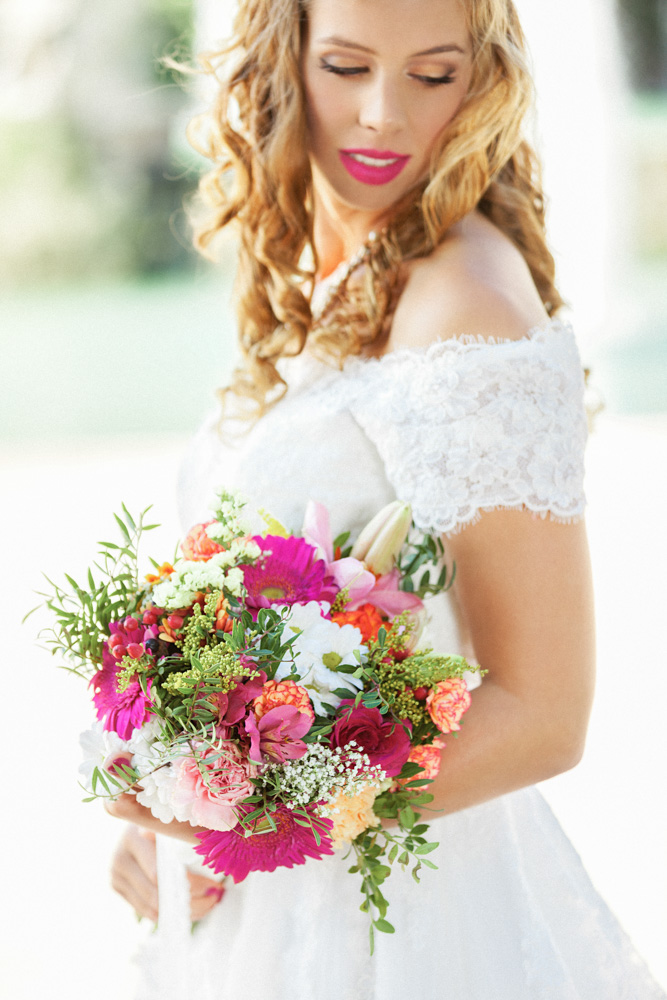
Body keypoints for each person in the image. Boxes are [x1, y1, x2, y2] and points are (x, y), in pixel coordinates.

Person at [106, 0, 667, 996]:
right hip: (279, 916)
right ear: (285, 64)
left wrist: (249, 814)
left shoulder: (466, 307)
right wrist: (177, 808)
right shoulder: (355, 267)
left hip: (403, 929)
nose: (381, 115)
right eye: (346, 65)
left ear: (483, 78)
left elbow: (544, 712)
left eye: (432, 74)